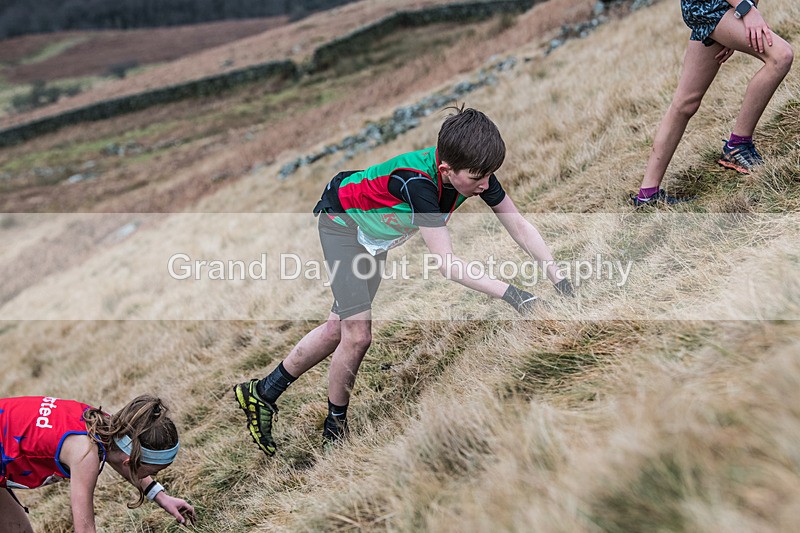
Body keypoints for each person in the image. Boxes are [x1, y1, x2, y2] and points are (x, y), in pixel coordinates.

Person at [234, 106, 574, 456]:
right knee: (358, 334)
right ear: (446, 169)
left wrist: (559, 279)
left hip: (373, 233)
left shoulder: (472, 168)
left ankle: (262, 393)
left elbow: (518, 225)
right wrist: (519, 298)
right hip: (343, 225)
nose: (485, 185)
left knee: (338, 328)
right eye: (477, 179)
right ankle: (334, 432)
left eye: (490, 175)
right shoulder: (419, 185)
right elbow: (447, 264)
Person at [631, 0, 793, 206]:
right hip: (709, 5)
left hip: (724, 7)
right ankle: (738, 146)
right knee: (781, 56)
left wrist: (738, 19)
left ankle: (647, 195)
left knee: (686, 102)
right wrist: (746, 10)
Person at [0, 395, 195, 533]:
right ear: (130, 461)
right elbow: (85, 529)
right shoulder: (85, 455)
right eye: (154, 471)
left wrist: (160, 496)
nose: (153, 475)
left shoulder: (105, 423)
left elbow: (120, 458)